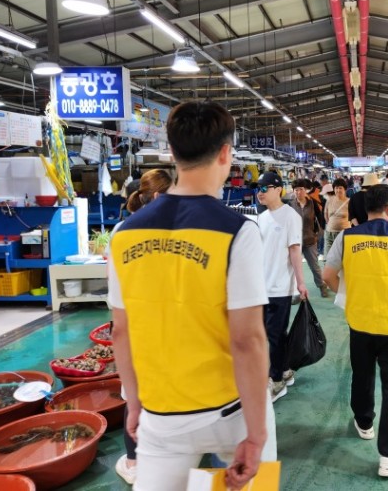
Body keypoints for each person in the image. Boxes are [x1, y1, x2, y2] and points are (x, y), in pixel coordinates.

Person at [109, 100, 276, 491]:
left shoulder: (124, 234)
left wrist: (134, 404)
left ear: (172, 152)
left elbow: (121, 332)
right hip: (230, 413)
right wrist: (255, 434)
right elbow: (247, 339)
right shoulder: (238, 232)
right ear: (225, 153)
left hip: (160, 416)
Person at [322, 184, 388, 478]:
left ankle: (364, 423)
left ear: (366, 209)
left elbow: (328, 276)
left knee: (362, 372)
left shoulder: (347, 237)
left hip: (361, 322)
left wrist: (350, 296)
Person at [114, 168, 173, 486]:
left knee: (133, 395)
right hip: (159, 327)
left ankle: (136, 460)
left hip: (136, 326)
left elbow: (116, 298)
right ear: (160, 197)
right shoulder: (173, 232)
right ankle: (144, 457)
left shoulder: (121, 232)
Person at [256, 171, 309, 402]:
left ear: (278, 189)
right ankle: (285, 369)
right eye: (258, 189)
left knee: (275, 335)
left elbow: (295, 250)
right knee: (273, 333)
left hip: (280, 287)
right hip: (262, 285)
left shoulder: (290, 216)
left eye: (264, 189)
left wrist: (300, 282)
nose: (260, 194)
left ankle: (276, 380)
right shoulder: (262, 217)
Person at [288, 179, 329, 297]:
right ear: (293, 191)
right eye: (296, 190)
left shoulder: (312, 203)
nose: (299, 192)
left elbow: (320, 218)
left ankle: (321, 285)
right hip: (294, 242)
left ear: (305, 190)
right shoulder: (290, 205)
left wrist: (318, 233)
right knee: (293, 267)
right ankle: (296, 291)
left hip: (310, 240)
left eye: (301, 189)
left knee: (314, 266)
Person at [324, 178, 350, 257]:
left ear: (345, 189)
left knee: (343, 257)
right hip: (329, 233)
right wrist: (331, 223)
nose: (338, 190)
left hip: (343, 234)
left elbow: (352, 217)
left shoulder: (349, 202)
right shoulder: (329, 200)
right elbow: (326, 214)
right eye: (336, 188)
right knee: (328, 257)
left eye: (340, 188)